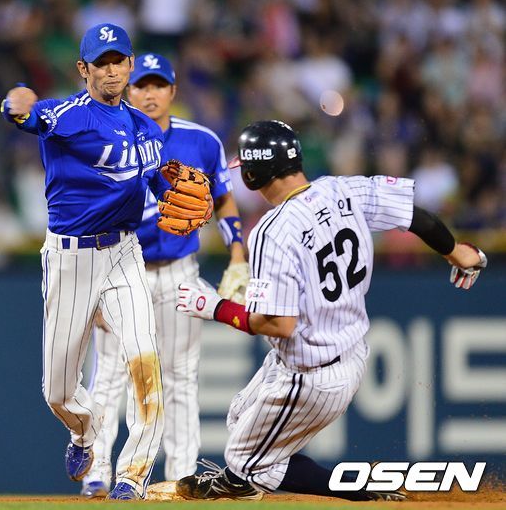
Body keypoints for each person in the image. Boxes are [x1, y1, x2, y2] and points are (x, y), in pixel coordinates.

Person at [174, 120, 487, 501]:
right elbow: (413, 215)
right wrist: (457, 252)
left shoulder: (272, 231)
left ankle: (364, 494)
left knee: (246, 465)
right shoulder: (343, 188)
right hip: (344, 352)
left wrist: (215, 308)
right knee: (240, 418)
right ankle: (255, 476)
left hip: (310, 373)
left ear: (254, 174)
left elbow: (278, 324)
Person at [0, 24, 183, 501]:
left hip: (124, 252)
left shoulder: (146, 127)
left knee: (145, 357)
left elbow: (159, 187)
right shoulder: (67, 115)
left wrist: (178, 198)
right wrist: (16, 101)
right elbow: (25, 114)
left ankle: (133, 475)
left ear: (130, 64)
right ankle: (84, 431)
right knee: (58, 390)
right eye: (101, 62)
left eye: (118, 60)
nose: (111, 70)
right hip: (71, 258)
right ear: (83, 69)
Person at [80, 52, 249, 498]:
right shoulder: (103, 136)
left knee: (179, 377)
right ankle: (97, 471)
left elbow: (223, 199)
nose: (149, 93)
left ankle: (181, 474)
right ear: (128, 88)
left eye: (158, 85)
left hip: (178, 272)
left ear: (173, 91)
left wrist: (237, 253)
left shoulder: (202, 141)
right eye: (142, 85)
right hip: (120, 268)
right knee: (111, 373)